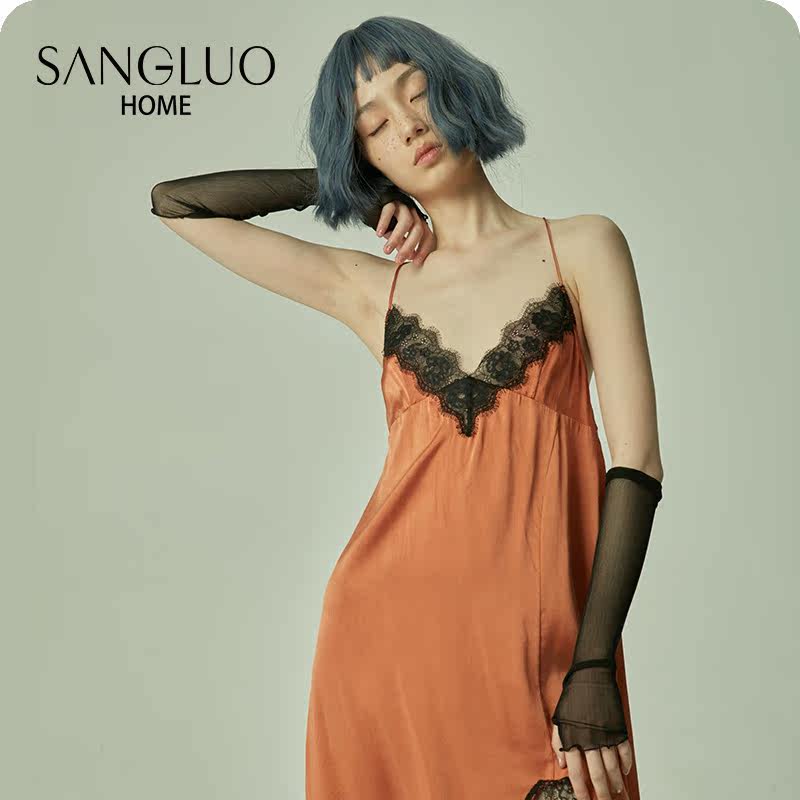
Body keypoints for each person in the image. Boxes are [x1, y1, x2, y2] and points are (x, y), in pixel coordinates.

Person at [150, 16, 664, 800]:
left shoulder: (583, 245)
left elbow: (637, 463)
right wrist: (345, 188)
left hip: (546, 645)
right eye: (374, 126)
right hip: (383, 643)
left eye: (416, 92)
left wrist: (592, 663)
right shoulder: (375, 290)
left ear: (457, 90)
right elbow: (178, 204)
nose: (409, 125)